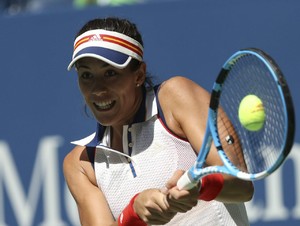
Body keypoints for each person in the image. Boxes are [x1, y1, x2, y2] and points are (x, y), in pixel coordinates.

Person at [63, 17, 254, 226]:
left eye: (110, 73)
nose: (98, 89)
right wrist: (134, 213)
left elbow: (241, 184)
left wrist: (199, 187)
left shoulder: (175, 97)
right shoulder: (81, 165)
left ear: (139, 75)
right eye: (86, 75)